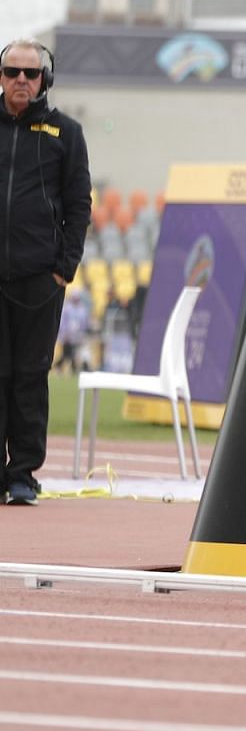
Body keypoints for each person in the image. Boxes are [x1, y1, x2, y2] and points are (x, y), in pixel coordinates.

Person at [0, 39, 91, 506]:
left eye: (30, 74)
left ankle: (22, 475)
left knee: (29, 376)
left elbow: (79, 205)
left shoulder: (66, 133)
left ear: (44, 80)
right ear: (1, 76)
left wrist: (64, 269)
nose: (21, 80)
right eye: (12, 71)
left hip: (40, 280)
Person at [55, 281, 94, 374]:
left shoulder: (82, 309)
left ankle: (70, 369)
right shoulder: (67, 308)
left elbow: (84, 323)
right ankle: (64, 368)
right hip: (68, 335)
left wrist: (82, 334)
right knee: (67, 353)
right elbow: (63, 322)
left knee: (72, 353)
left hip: (77, 336)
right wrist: (64, 333)